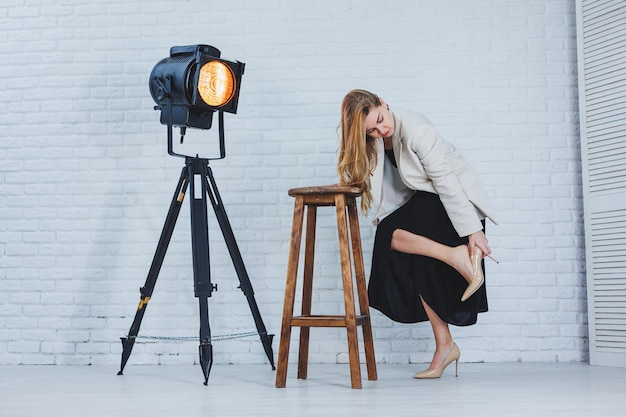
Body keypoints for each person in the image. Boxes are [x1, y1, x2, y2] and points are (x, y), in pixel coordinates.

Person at [337, 89, 498, 379]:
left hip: (453, 202)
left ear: (384, 102)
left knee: (388, 234)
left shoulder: (417, 130)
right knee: (414, 256)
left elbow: (446, 183)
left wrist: (473, 231)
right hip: (427, 201)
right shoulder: (374, 138)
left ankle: (458, 257)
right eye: (371, 129)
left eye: (380, 120)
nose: (380, 130)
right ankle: (445, 344)